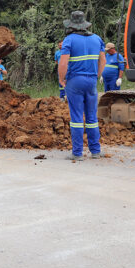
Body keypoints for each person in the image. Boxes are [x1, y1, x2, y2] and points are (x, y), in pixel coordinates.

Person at [57, 10, 106, 161]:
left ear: (71, 26)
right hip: (91, 81)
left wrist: (61, 79)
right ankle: (95, 151)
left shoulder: (69, 40)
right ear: (84, 25)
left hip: (75, 82)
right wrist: (96, 75)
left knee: (77, 117)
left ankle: (77, 153)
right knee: (92, 117)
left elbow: (63, 62)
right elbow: (103, 61)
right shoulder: (97, 39)